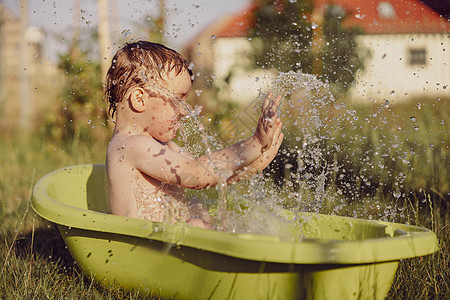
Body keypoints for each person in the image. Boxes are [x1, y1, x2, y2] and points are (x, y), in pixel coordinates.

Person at [105, 41, 283, 229]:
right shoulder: (130, 146)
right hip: (141, 246)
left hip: (166, 241)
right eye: (177, 99)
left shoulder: (162, 145)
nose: (184, 111)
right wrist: (254, 143)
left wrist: (256, 163)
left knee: (198, 208)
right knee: (197, 223)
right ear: (140, 100)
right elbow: (196, 174)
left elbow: (212, 174)